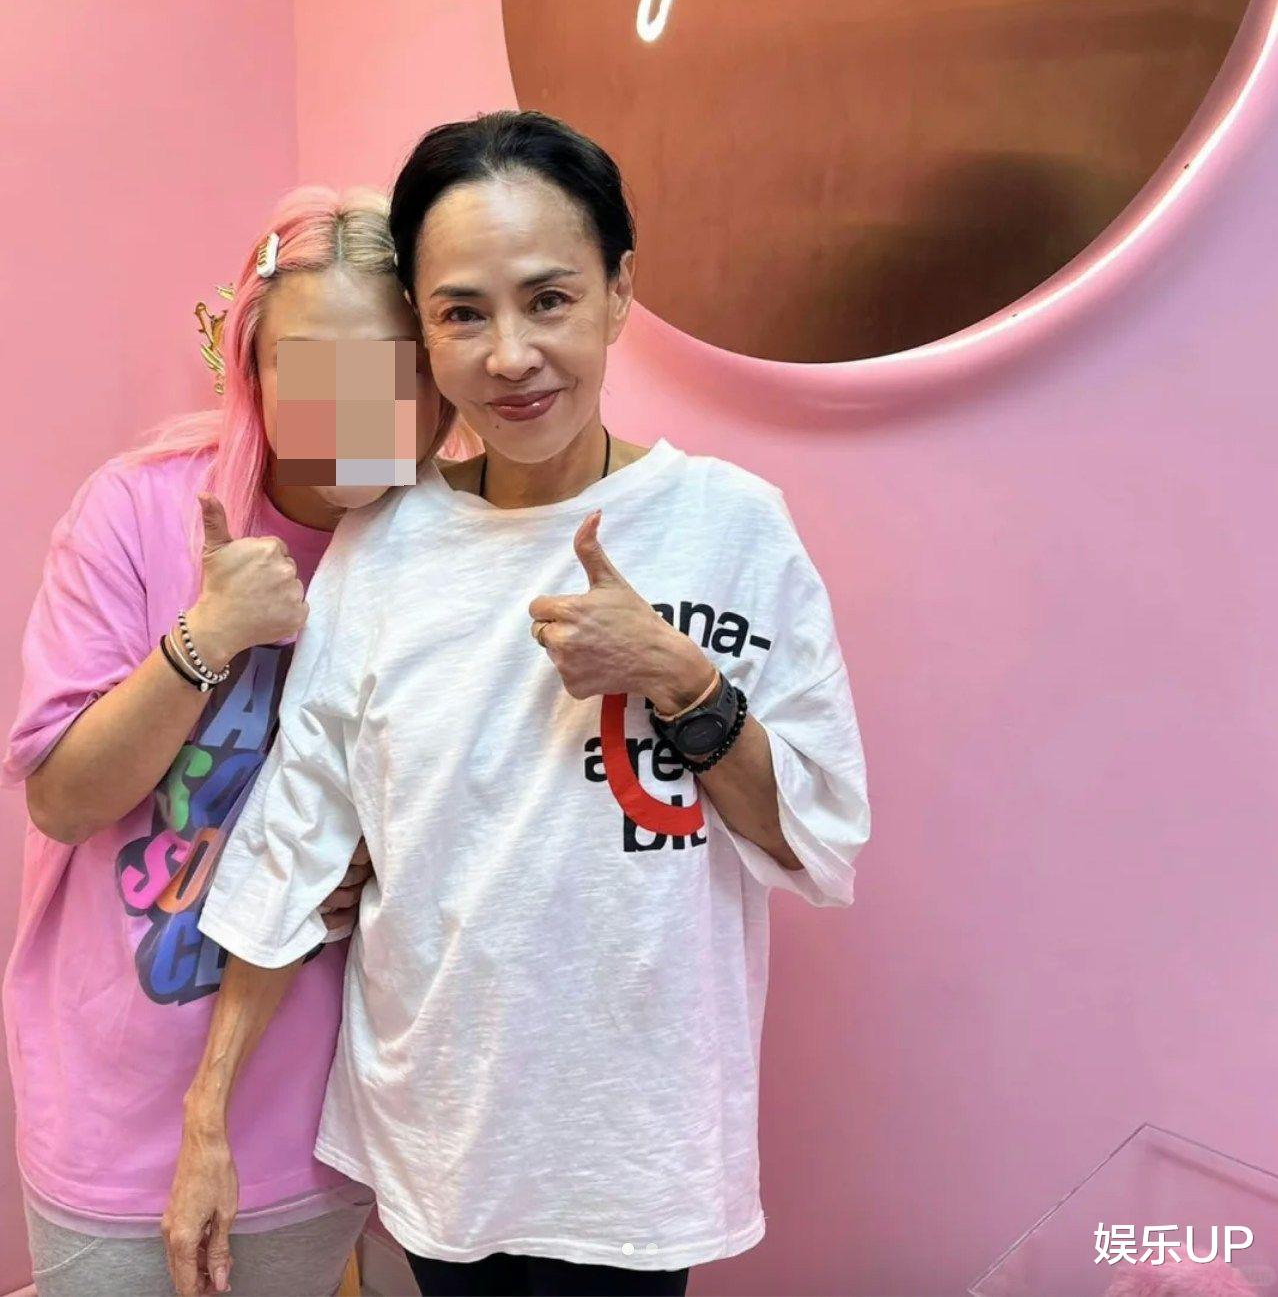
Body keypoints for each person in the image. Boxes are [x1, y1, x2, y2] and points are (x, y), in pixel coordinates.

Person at [177, 110, 871, 1297]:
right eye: (463, 314)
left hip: (634, 1150)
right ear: (422, 332)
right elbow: (298, 832)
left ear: (618, 293)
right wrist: (207, 1115)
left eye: (549, 299)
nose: (510, 356)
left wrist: (681, 678)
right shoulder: (383, 546)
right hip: (435, 1130)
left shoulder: (731, 527)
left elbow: (817, 835)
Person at [2, 186, 453, 1297]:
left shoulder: (448, 540)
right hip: (118, 1104)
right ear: (250, 368)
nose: (350, 410)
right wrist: (206, 638)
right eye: (310, 370)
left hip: (332, 1110)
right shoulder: (139, 508)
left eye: (385, 368)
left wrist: (377, 862)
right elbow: (62, 799)